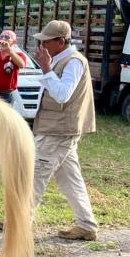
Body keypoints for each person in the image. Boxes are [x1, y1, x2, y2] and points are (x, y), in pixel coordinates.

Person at [32, 20, 98, 241]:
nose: (41, 46)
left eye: (45, 42)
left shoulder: (74, 62)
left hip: (59, 132)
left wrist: (47, 69)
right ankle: (86, 225)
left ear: (60, 42)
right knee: (71, 179)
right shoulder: (62, 59)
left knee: (36, 174)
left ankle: (20, 223)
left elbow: (62, 95)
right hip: (58, 129)